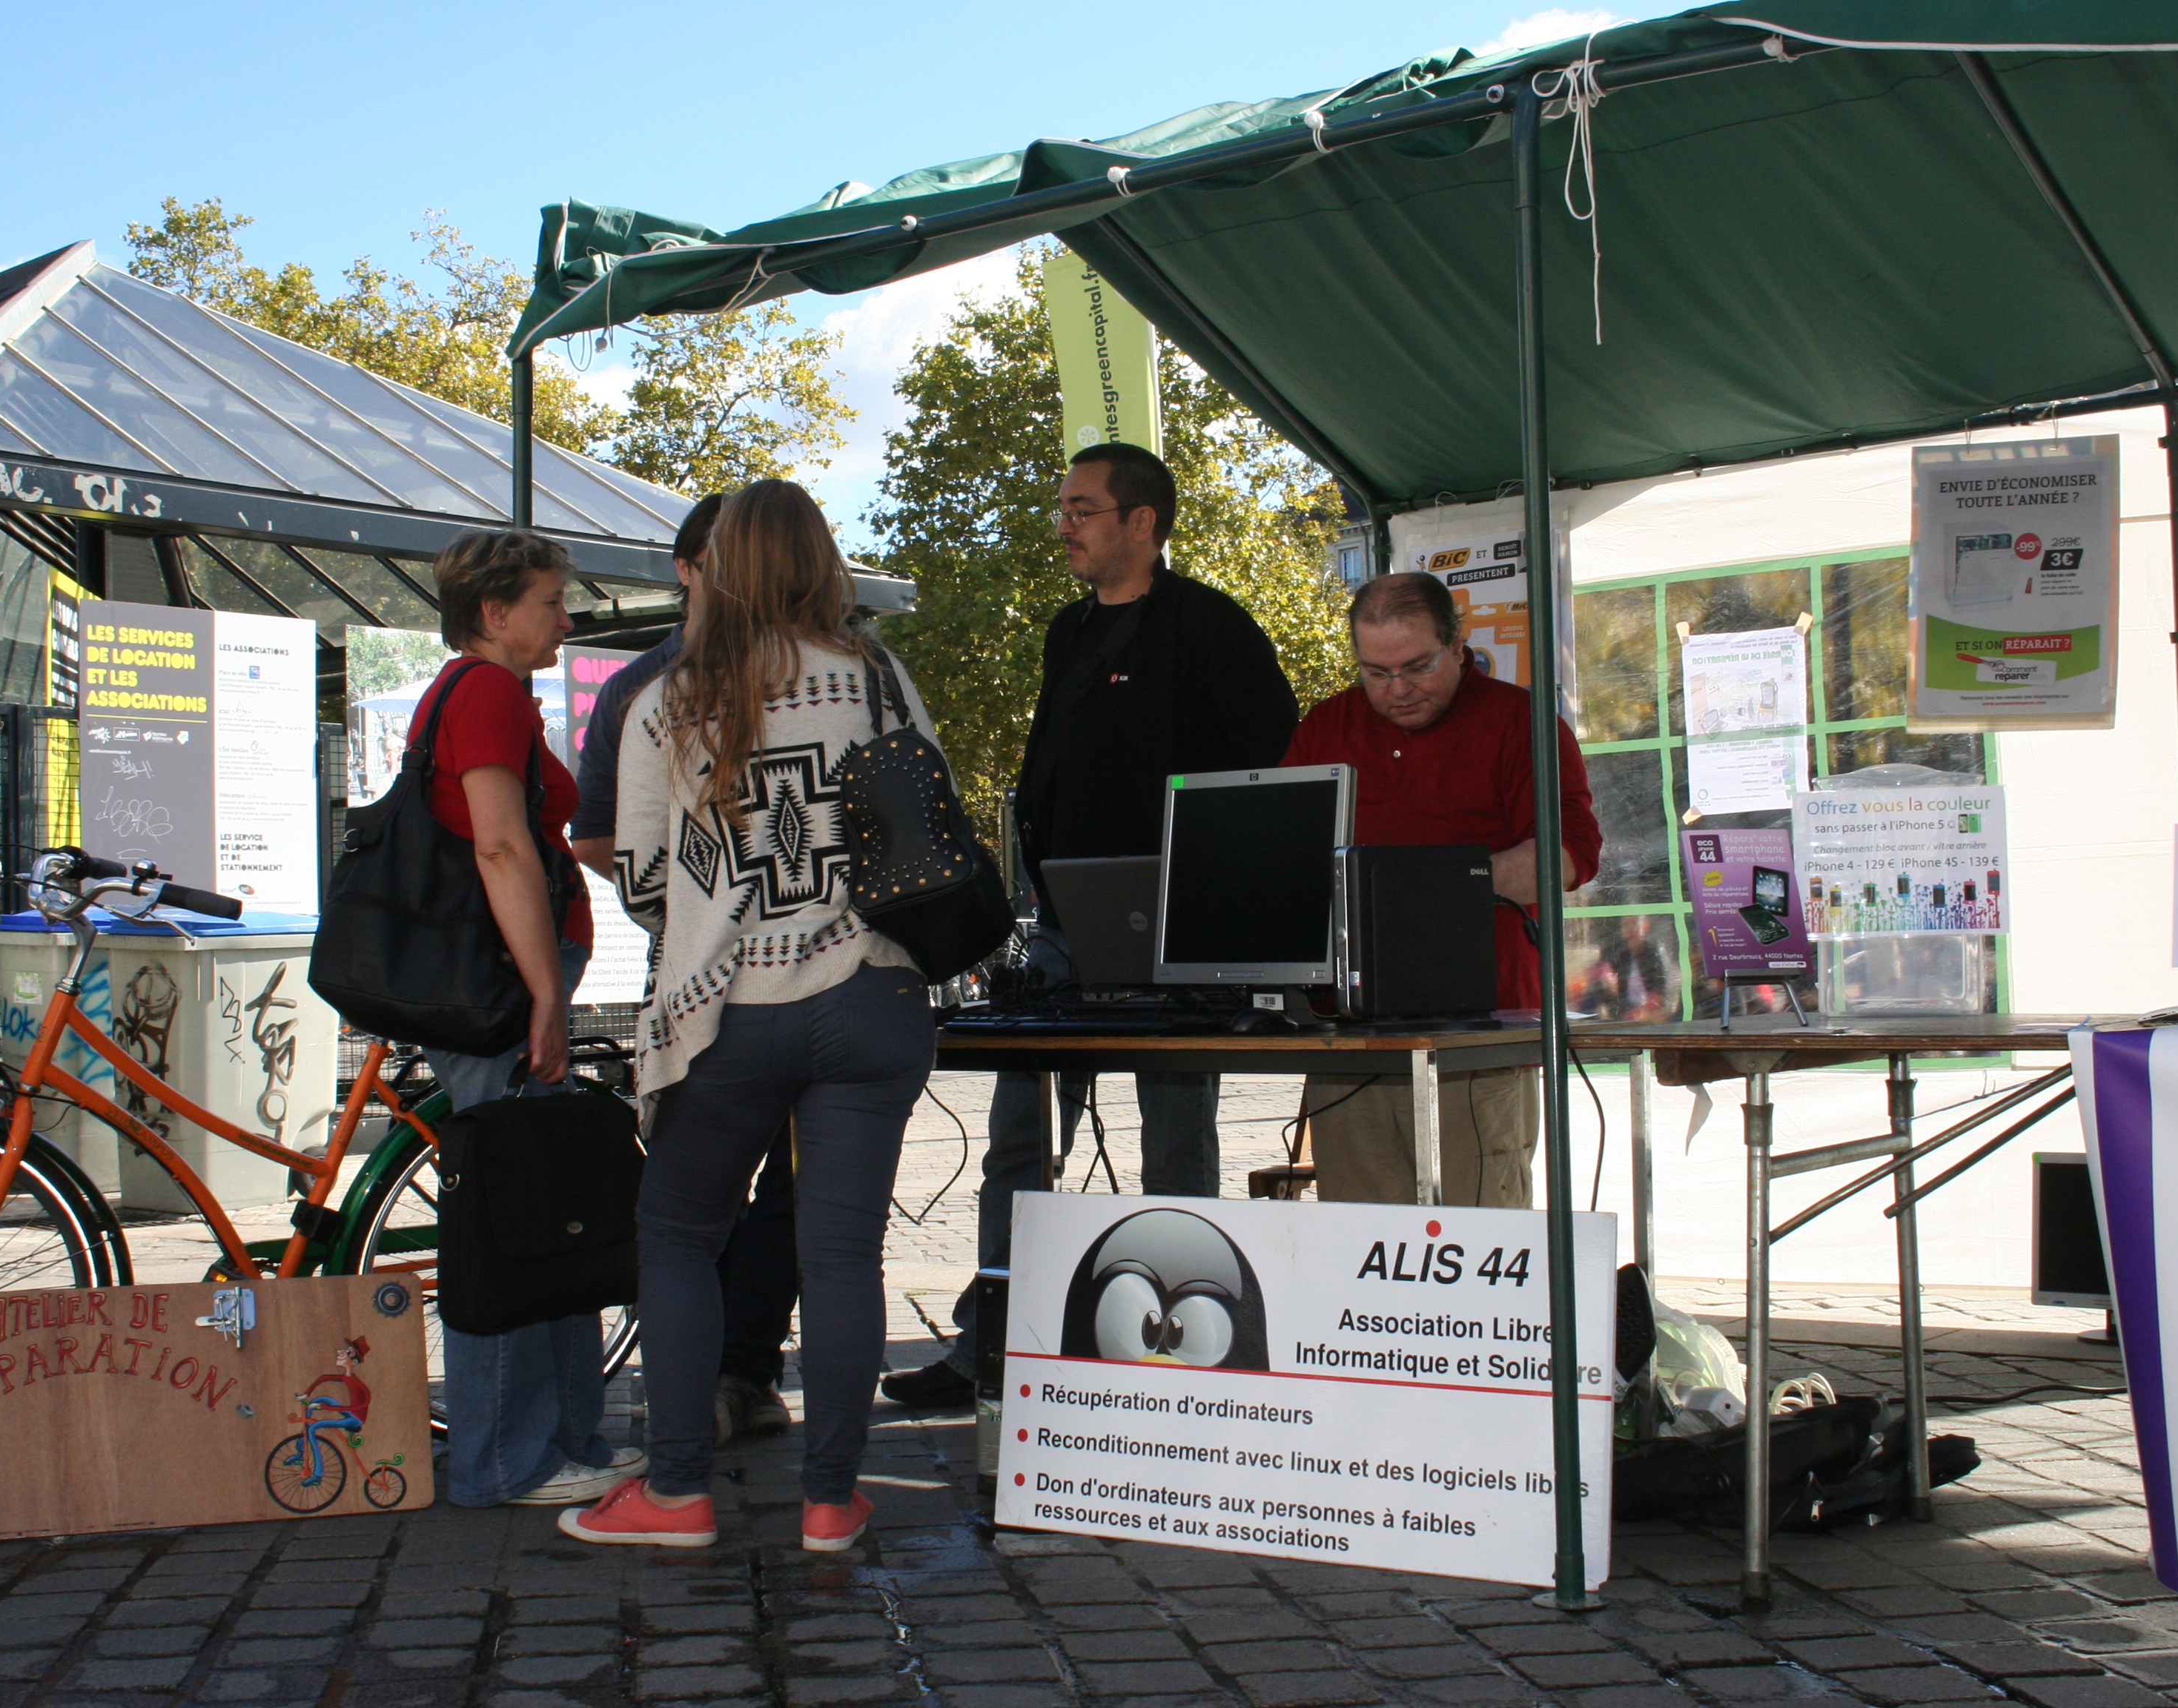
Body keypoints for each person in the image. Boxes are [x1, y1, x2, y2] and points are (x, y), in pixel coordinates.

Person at [881, 440, 1300, 1409]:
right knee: (1015, 1134)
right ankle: (988, 1341)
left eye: (1082, 508)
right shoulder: (1069, 634)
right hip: (1052, 923)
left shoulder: (1210, 627)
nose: (1064, 524)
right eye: (1062, 507)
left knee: (1177, 1137)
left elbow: (1274, 766)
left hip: (1177, 935)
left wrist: (1215, 892)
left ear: (1142, 524)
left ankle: (1187, 1363)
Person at [560, 479, 936, 1553]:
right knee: (842, 1254)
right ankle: (830, 1500)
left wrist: (713, 918)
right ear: (822, 563)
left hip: (724, 1011)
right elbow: (930, 823)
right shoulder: (874, 677)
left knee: (677, 1238)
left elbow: (636, 873)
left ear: (713, 568)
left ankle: (676, 1492)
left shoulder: (668, 700)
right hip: (869, 992)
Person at [414, 528, 644, 1507]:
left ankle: (559, 1439)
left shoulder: (471, 693)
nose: (566, 616)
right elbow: (504, 847)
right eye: (551, 601)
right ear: (496, 611)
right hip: (504, 985)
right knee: (514, 1215)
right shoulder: (489, 692)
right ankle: (512, 1458)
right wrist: (548, 989)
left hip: (498, 979)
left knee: (540, 1207)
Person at [570, 491, 796, 1447]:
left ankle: (737, 1378)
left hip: (769, 974)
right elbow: (597, 836)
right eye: (724, 560)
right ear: (688, 568)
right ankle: (708, 1384)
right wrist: (701, 890)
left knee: (770, 1191)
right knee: (713, 1196)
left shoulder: (786, 669)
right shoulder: (643, 689)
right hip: (714, 978)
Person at [1282, 570, 1601, 1205]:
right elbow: (1289, 851)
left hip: (1479, 1029)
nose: (1397, 690)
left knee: (1481, 1227)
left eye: (1417, 667)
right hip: (1348, 1026)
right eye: (1375, 673)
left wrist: (1427, 889)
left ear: (1459, 646)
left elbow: (1568, 854)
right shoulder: (1328, 726)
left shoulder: (1521, 722)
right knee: (1359, 1232)